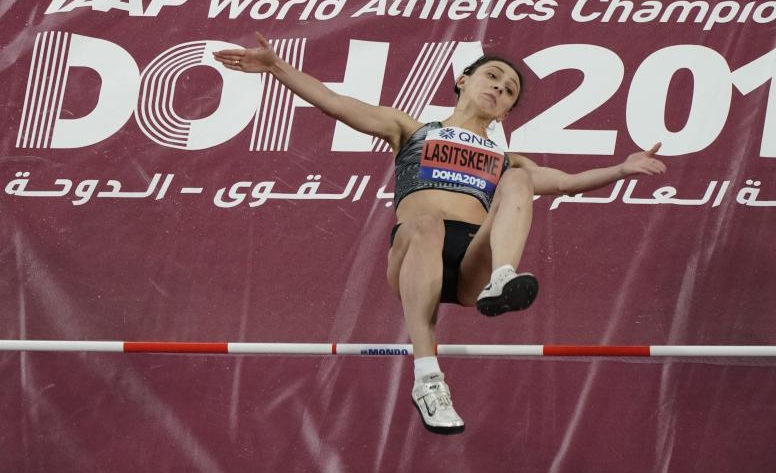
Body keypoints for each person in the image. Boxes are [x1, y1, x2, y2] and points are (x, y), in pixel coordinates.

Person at [213, 33, 666, 435]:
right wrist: (277, 68)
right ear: (463, 81)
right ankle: (429, 380)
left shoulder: (505, 159)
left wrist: (621, 169)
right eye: (492, 77)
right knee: (427, 223)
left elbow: (566, 181)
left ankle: (502, 277)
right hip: (415, 251)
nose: (499, 88)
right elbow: (336, 103)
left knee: (520, 179)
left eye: (509, 91)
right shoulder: (410, 129)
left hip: (473, 261)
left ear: (507, 110)